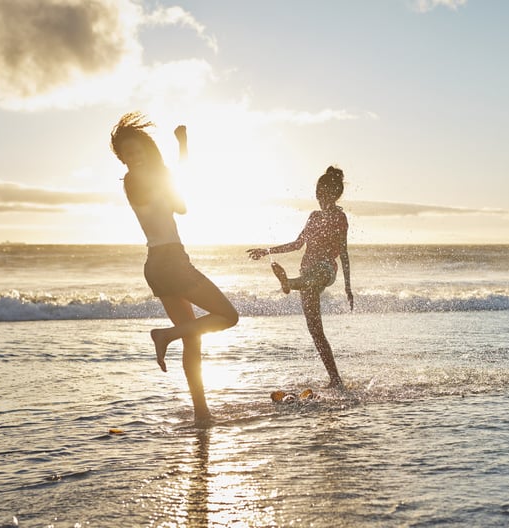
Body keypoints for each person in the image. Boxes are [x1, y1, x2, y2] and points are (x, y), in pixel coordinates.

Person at [110, 112, 239, 426]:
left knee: (193, 340)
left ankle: (201, 414)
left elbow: (181, 206)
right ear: (123, 160)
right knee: (229, 316)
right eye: (128, 154)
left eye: (138, 151)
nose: (134, 158)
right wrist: (177, 155)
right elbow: (167, 194)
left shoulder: (155, 175)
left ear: (147, 150)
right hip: (169, 263)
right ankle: (165, 335)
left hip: (161, 264)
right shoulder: (133, 181)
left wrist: (182, 148)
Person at [247, 166, 353, 388]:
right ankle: (335, 379)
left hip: (325, 270)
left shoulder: (339, 217)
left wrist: (347, 288)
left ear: (334, 194)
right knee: (316, 331)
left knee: (315, 274)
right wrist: (267, 251)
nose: (319, 197)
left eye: (323, 193)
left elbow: (343, 252)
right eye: (317, 193)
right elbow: (297, 244)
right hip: (307, 274)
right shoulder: (313, 217)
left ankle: (289, 283)